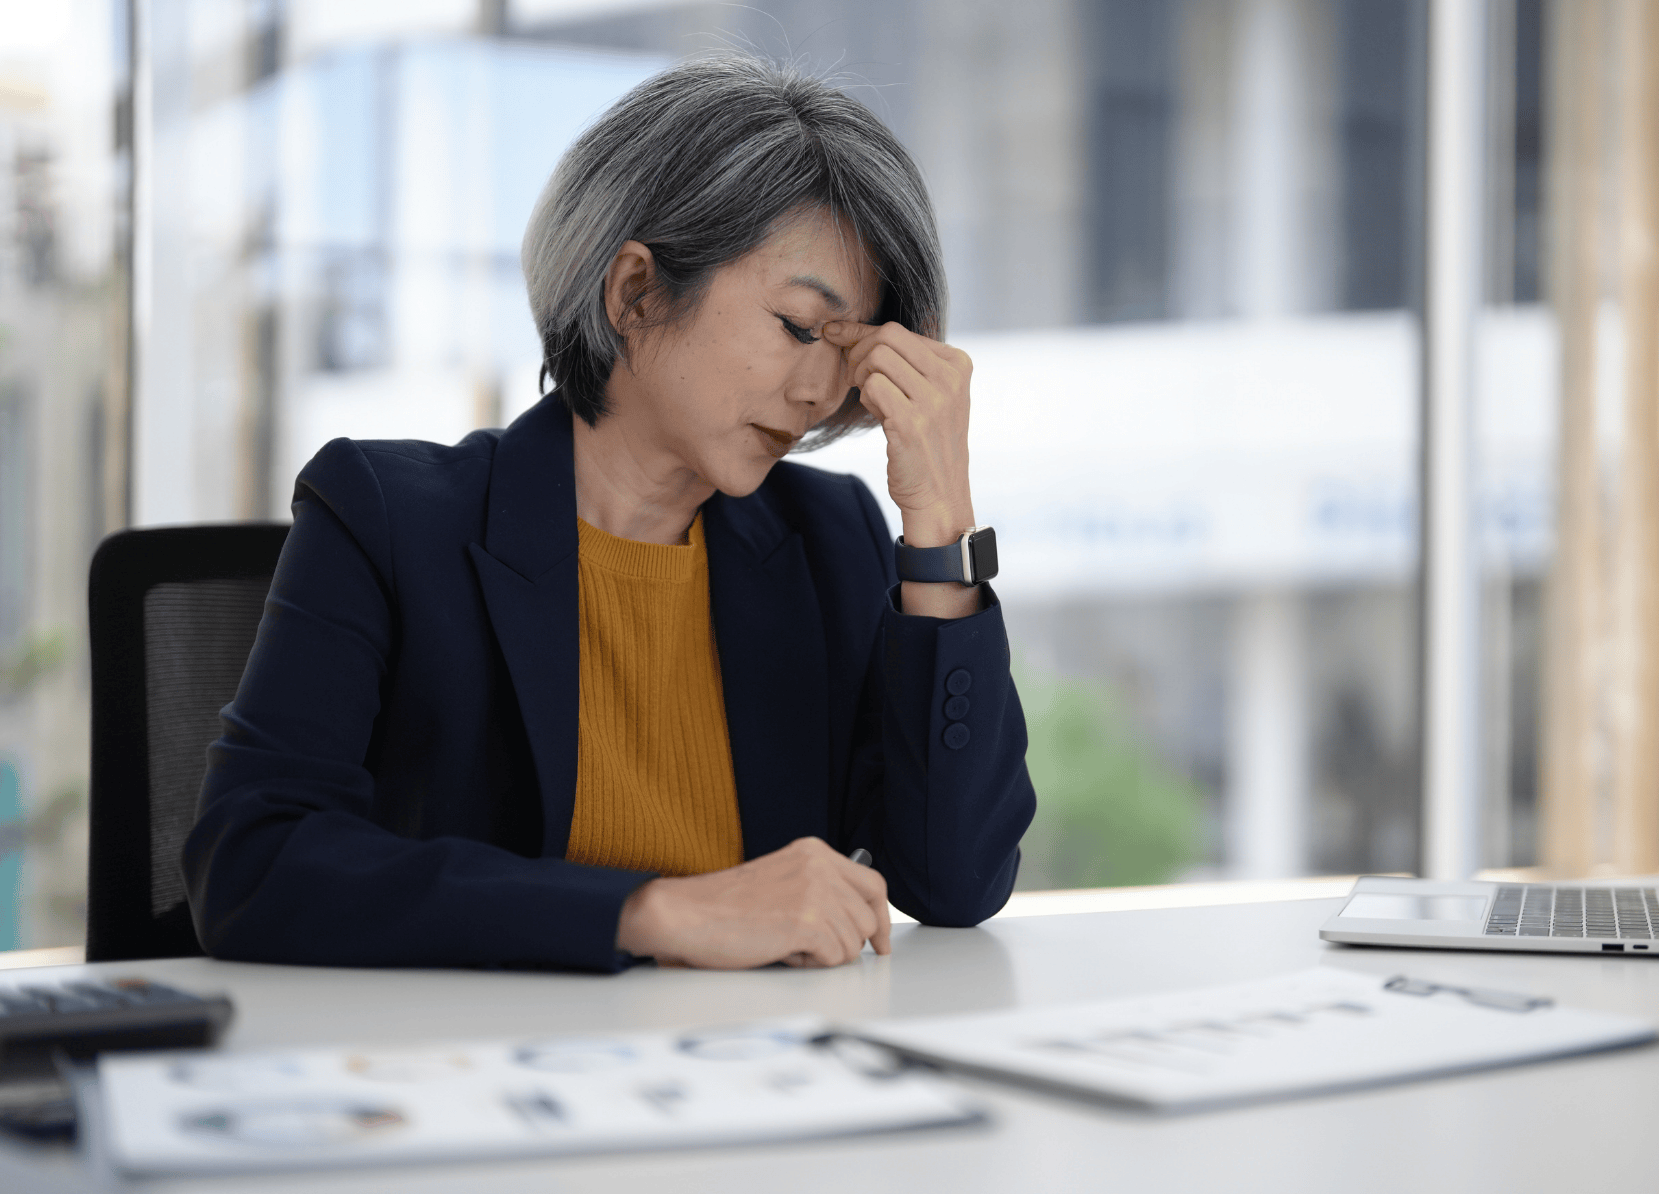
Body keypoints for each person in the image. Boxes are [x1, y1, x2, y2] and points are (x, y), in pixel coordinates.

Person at [183, 57, 1036, 972]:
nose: (823, 390)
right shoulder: (387, 517)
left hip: (757, 1074)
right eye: (797, 327)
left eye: (852, 348)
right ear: (635, 290)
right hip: (478, 1076)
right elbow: (254, 865)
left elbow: (955, 884)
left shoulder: (833, 537)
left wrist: (941, 528)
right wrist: (649, 913)